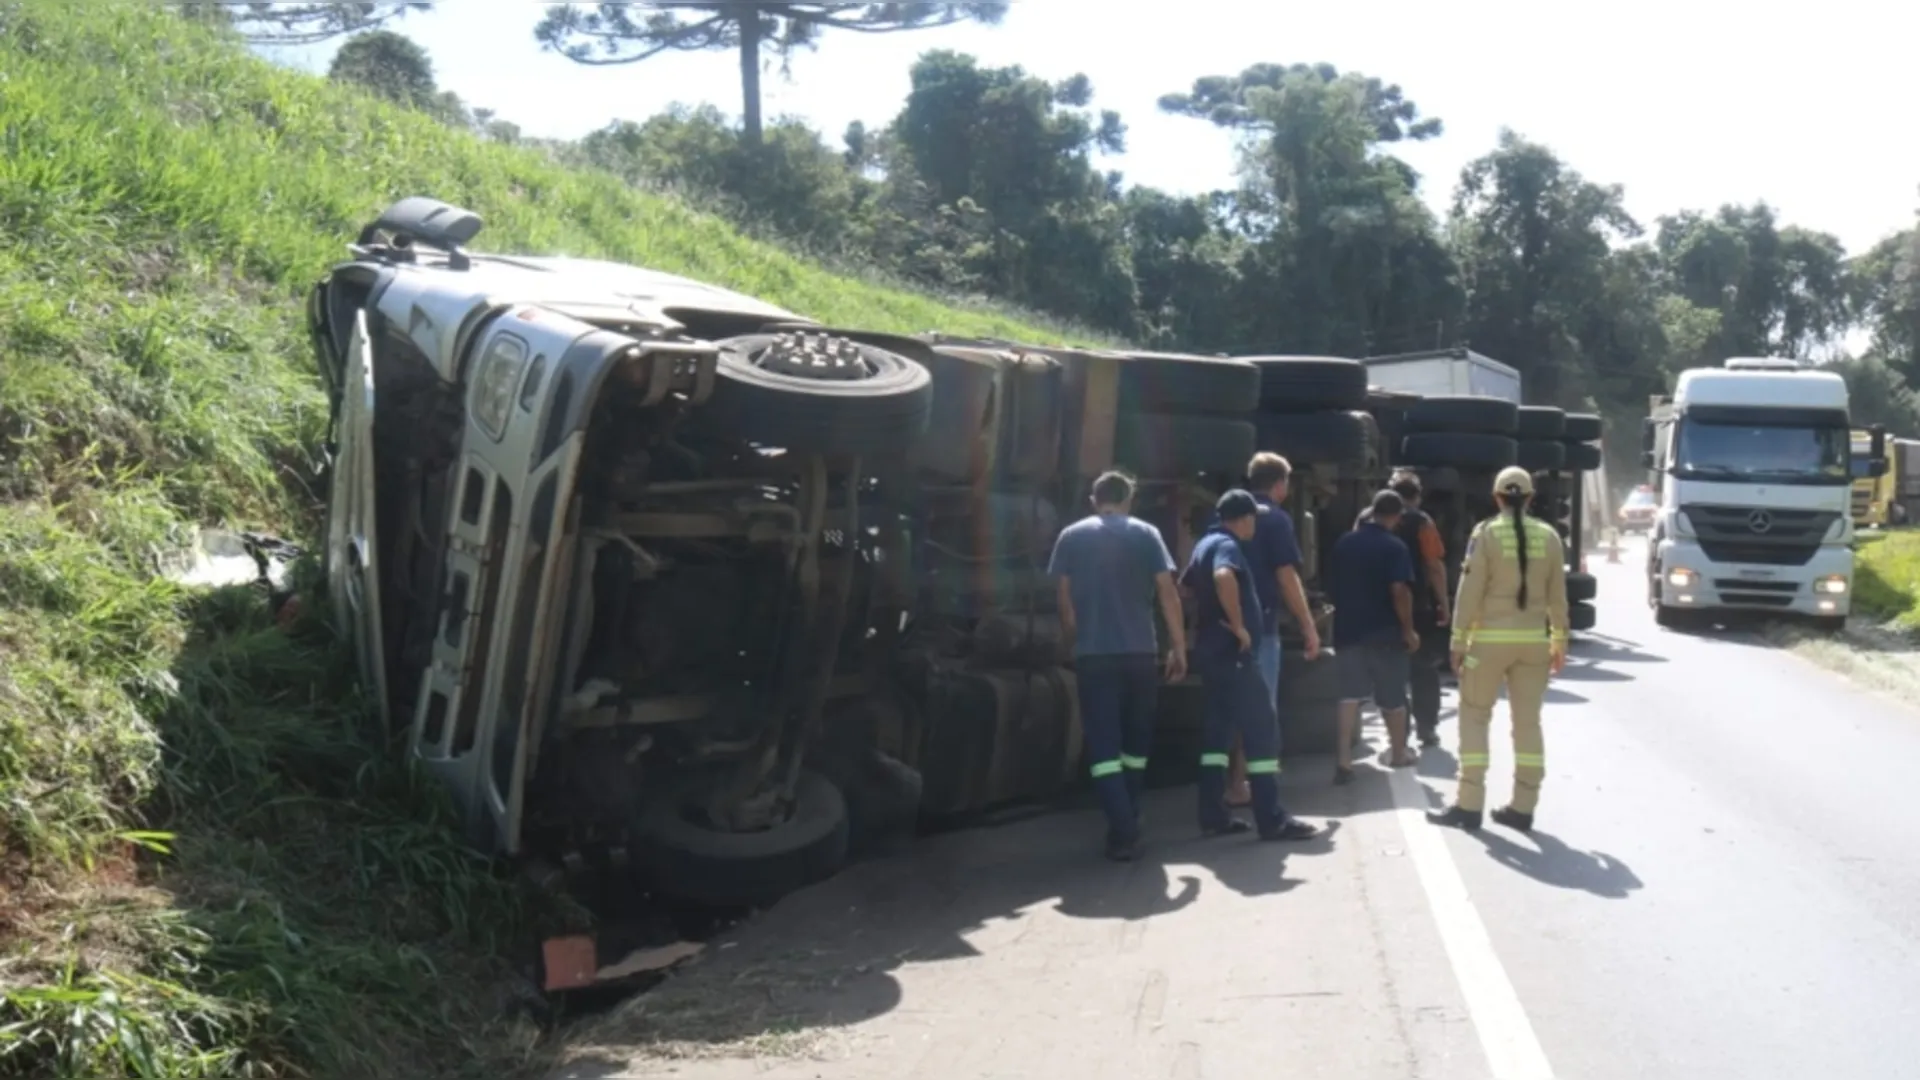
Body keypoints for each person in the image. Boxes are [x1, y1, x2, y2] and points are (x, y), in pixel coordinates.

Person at [1049, 470, 1189, 861]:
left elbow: (1066, 604)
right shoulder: (1146, 534)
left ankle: (1123, 830)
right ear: (1129, 500)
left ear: (1094, 500)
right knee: (1136, 744)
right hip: (1141, 654)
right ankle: (1130, 815)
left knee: (1104, 748)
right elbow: (1167, 592)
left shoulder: (1071, 537)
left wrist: (1069, 643)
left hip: (1094, 656)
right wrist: (1179, 647)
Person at [1428, 466, 1570, 833]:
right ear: (1531, 498)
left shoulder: (1486, 534)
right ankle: (1523, 807)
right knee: (1528, 724)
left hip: (1488, 645)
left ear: (1496, 498)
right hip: (1534, 645)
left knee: (1475, 717)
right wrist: (1559, 641)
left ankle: (1469, 804)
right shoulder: (1550, 537)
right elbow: (1558, 597)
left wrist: (1458, 640)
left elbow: (1470, 591)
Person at [1181, 490, 1320, 842]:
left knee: (1217, 736)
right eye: (1252, 518)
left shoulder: (1204, 543)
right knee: (1262, 731)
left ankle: (1212, 815)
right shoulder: (1228, 545)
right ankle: (1271, 819)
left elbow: (1184, 588)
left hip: (1212, 653)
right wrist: (1239, 624)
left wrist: (1207, 618)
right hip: (1235, 656)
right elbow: (1224, 576)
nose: (1254, 524)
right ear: (1244, 519)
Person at [1218, 453, 1320, 807]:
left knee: (1229, 707)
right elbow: (1286, 575)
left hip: (1224, 626)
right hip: (1260, 626)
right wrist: (1308, 625)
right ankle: (1245, 784)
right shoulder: (1276, 520)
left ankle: (1227, 782)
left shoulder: (1226, 515)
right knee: (1260, 706)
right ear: (1279, 484)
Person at [1328, 489, 1422, 783]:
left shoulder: (1345, 542)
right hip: (1385, 633)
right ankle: (1398, 753)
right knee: (1393, 697)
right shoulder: (1395, 547)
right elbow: (1399, 590)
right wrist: (1407, 629)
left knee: (1348, 697)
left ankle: (1344, 760)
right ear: (1396, 516)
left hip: (1348, 629)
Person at [1386, 471, 1452, 749]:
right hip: (1418, 604)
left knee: (1388, 670)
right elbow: (1435, 566)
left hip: (1381, 605)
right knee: (1423, 668)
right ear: (1417, 496)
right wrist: (1445, 605)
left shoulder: (1368, 517)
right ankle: (1426, 728)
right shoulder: (1423, 522)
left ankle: (1397, 734)